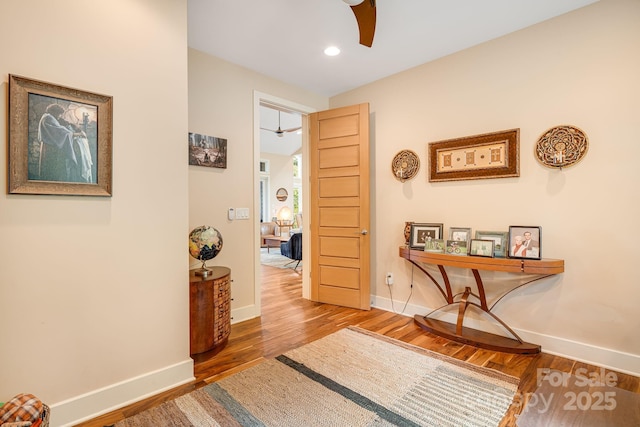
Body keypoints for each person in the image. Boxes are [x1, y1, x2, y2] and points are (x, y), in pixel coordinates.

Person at [37, 103, 93, 183]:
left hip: (50, 146)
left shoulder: (47, 117)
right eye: (59, 114)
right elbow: (59, 132)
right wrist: (75, 134)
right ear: (55, 112)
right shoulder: (48, 118)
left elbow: (60, 129)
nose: (59, 116)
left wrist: (70, 127)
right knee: (51, 168)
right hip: (50, 148)